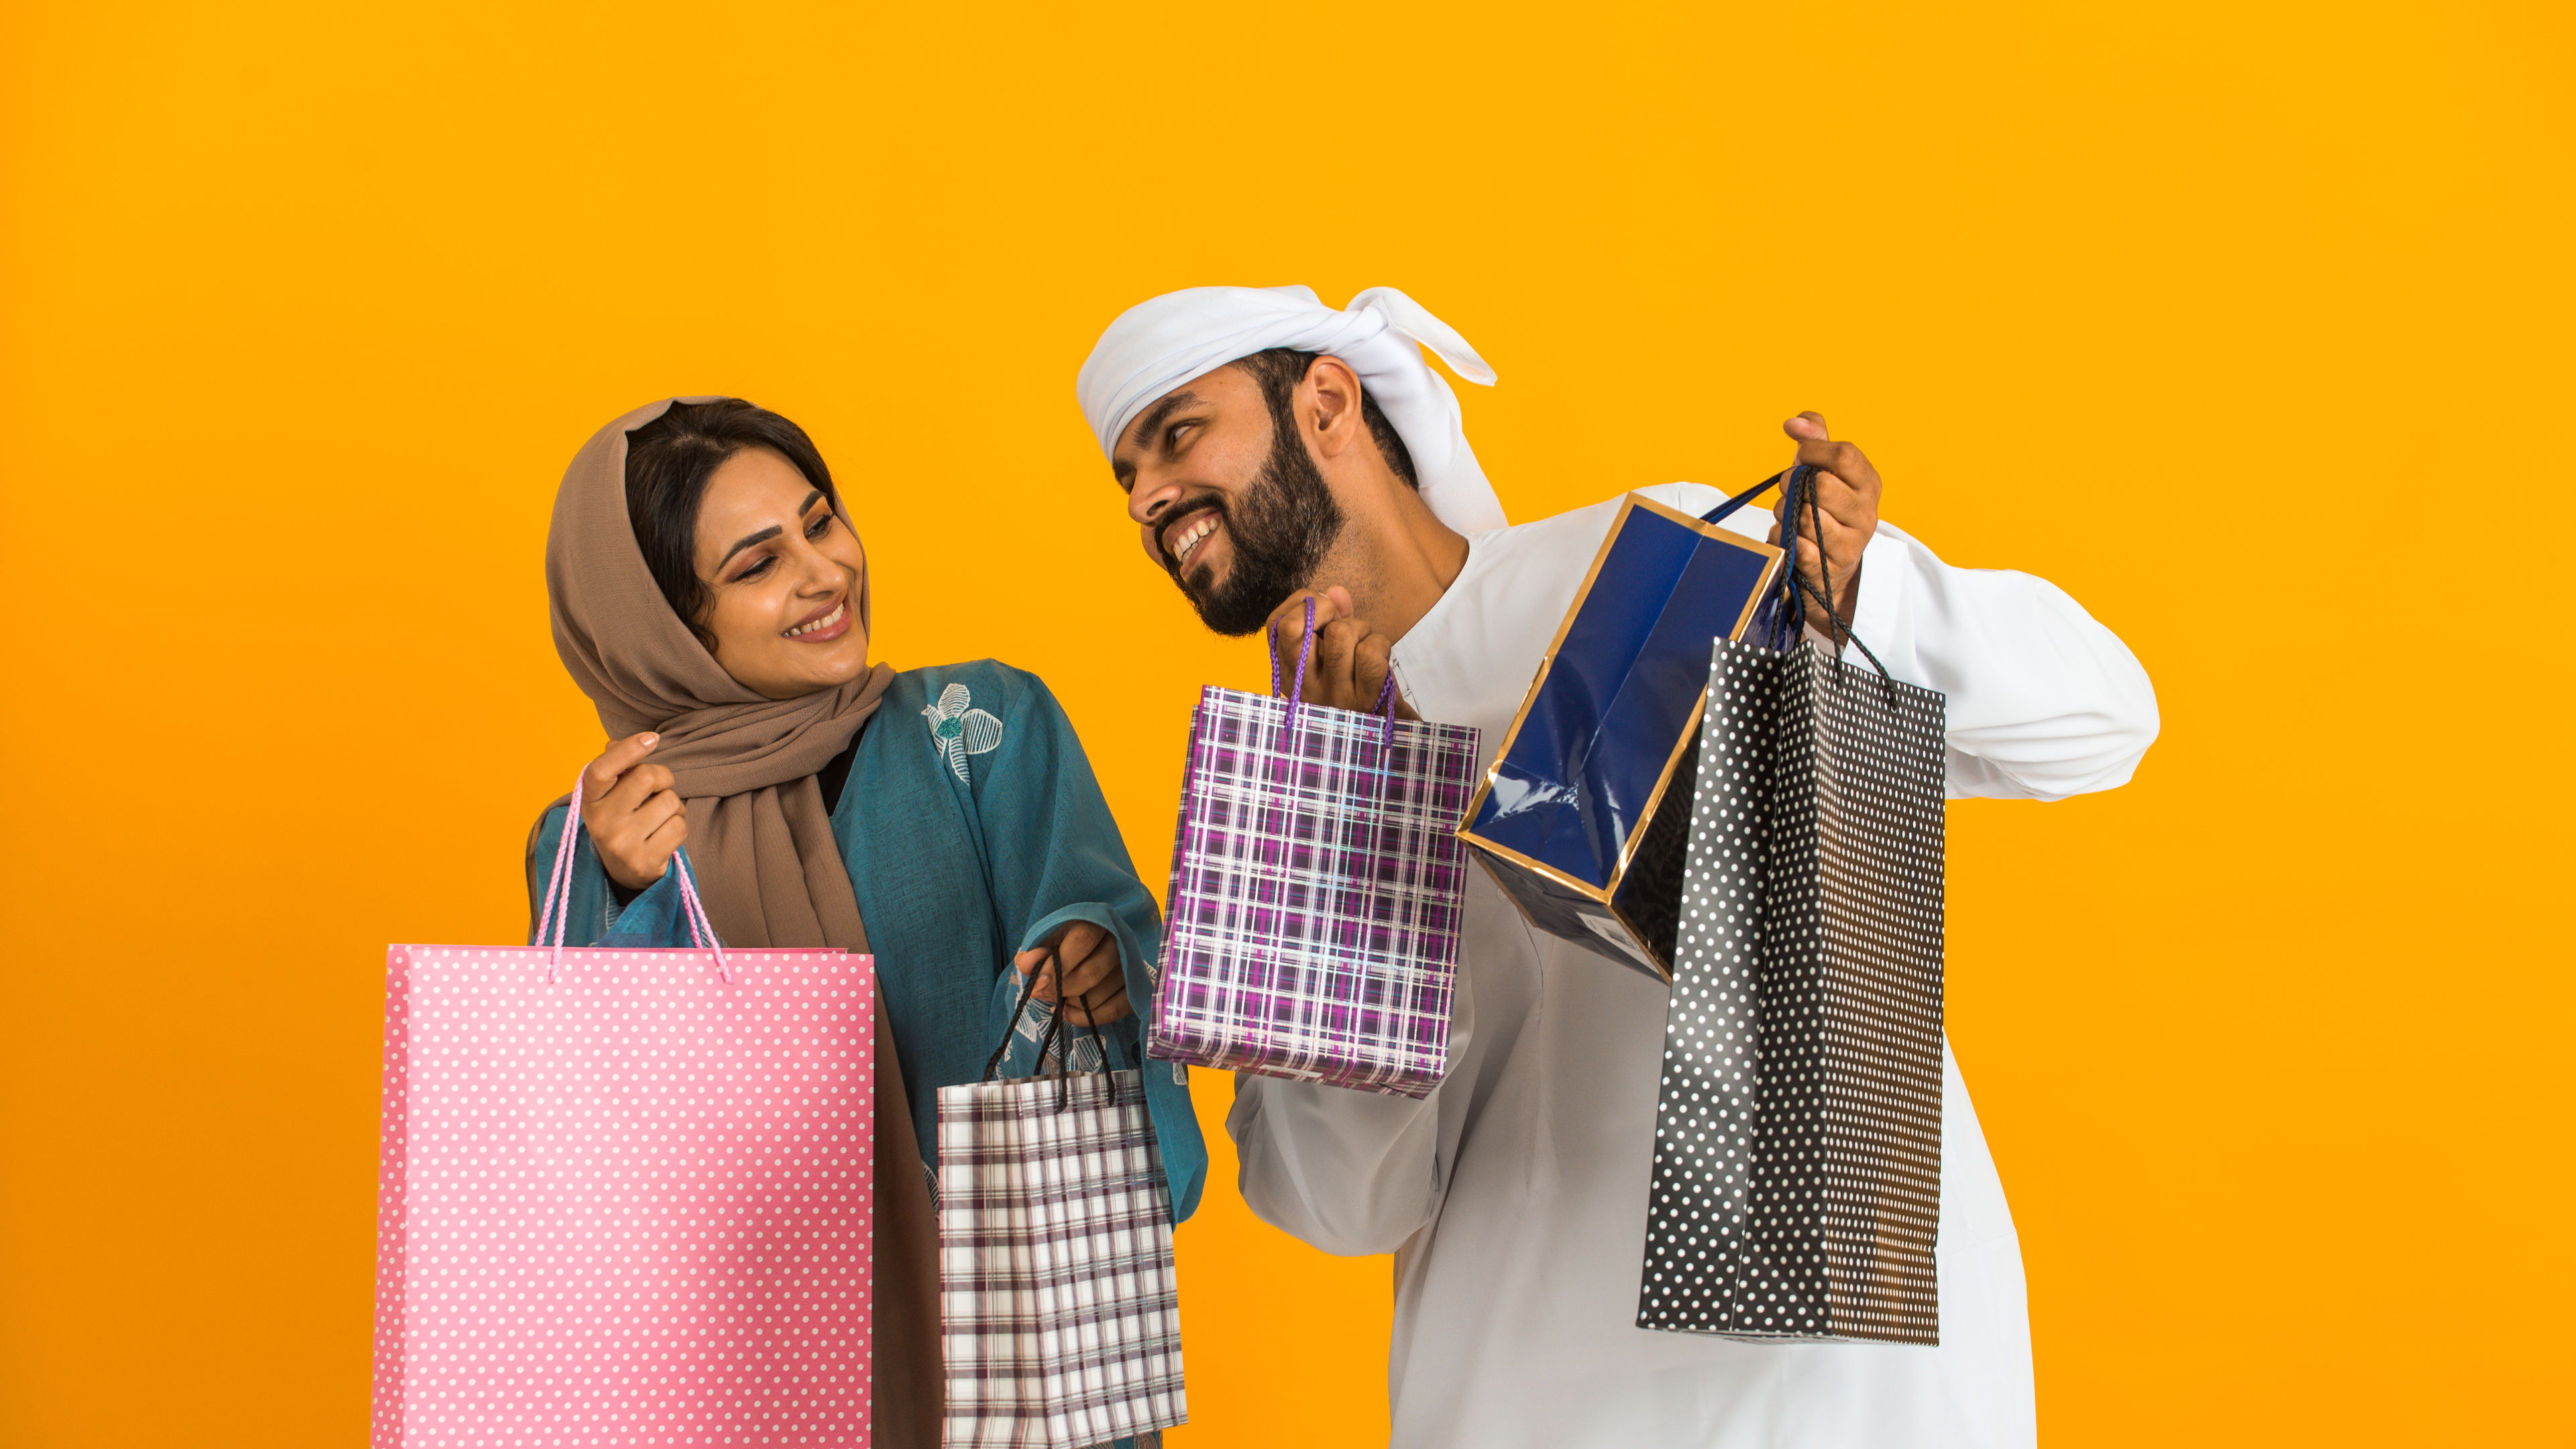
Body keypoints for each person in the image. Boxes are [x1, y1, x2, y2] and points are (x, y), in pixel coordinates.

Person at [1075, 286, 2159, 1448]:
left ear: (1328, 403)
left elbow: (2100, 719)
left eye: (1177, 434)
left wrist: (1864, 597)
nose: (1146, 500)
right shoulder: (1293, 774)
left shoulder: (1645, 574)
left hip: (1830, 1390)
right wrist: (1354, 836)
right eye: (1125, 475)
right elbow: (1338, 1211)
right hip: (1506, 1396)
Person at [528, 396, 1204, 1449]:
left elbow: (1106, 929)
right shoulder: (606, 834)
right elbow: (592, 1166)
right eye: (756, 565)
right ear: (661, 625)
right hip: (737, 1385)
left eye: (821, 520)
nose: (824, 573)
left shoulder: (979, 730)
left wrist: (1097, 956)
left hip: (1020, 1362)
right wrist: (628, 898)